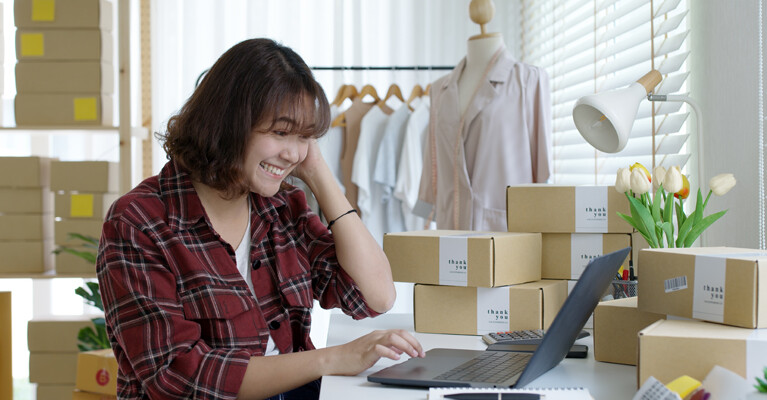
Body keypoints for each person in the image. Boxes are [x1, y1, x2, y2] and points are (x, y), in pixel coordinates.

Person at [96, 38, 424, 400]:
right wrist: (332, 359)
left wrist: (318, 173)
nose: (293, 152)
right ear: (229, 121)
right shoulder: (138, 222)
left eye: (304, 137)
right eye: (281, 132)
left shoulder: (282, 208)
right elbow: (177, 375)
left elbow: (374, 295)